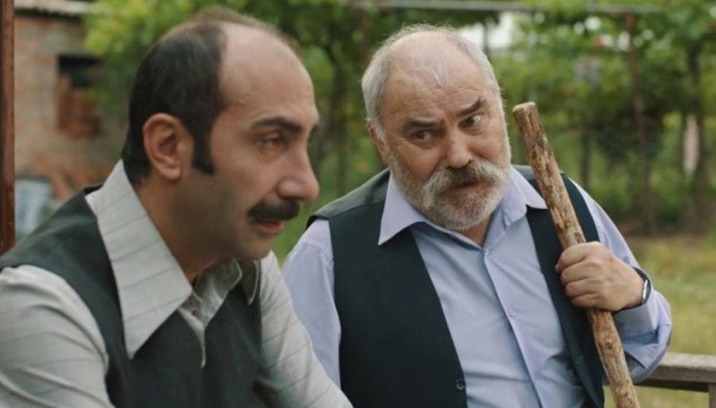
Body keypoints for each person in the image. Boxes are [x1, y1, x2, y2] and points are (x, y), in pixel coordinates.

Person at [282, 24, 672, 408]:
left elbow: (642, 352)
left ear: (499, 108)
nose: (458, 155)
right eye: (423, 135)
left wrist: (632, 294)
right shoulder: (330, 255)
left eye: (472, 121)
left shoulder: (559, 205)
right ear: (380, 141)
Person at [0, 7, 351, 408]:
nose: (307, 185)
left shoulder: (243, 264)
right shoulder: (39, 306)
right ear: (168, 147)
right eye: (271, 141)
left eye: (304, 142)